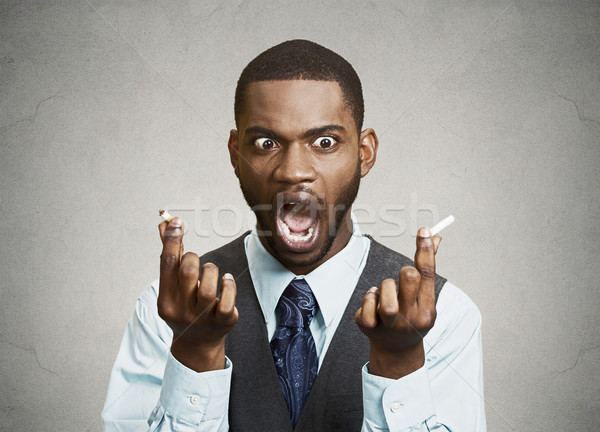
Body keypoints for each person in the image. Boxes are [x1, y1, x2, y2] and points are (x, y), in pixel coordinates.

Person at [102, 39, 485, 431]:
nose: (293, 170)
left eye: (325, 143)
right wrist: (195, 355)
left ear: (364, 153)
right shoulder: (164, 311)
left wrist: (400, 367)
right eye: (266, 143)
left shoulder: (444, 316)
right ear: (237, 155)